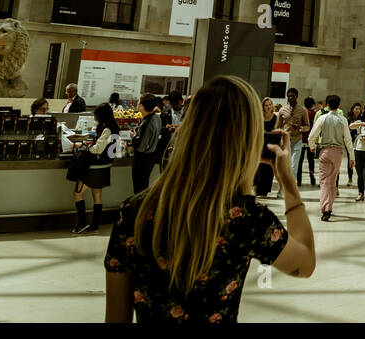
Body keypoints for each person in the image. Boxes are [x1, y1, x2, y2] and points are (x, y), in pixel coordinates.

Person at [104, 75, 315, 322]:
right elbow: (305, 263)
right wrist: (288, 183)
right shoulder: (245, 219)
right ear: (247, 139)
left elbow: (116, 318)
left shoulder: (134, 211)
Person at [70, 103, 120, 234]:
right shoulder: (115, 127)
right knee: (97, 195)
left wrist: (83, 146)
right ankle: (95, 224)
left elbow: (97, 149)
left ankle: (82, 223)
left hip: (94, 167)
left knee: (77, 194)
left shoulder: (107, 129)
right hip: (105, 166)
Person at [307, 94, 353, 221]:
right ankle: (329, 206)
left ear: (327, 105)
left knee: (324, 182)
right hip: (338, 153)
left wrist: (312, 146)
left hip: (325, 151)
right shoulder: (343, 120)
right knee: (332, 181)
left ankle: (326, 208)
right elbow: (348, 140)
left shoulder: (322, 118)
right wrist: (352, 156)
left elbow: (312, 136)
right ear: (338, 106)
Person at [277, 88, 309, 185]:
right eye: (289, 96)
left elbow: (307, 126)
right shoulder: (282, 110)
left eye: (292, 96)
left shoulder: (303, 110)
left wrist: (301, 128)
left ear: (296, 96)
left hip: (297, 140)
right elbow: (277, 126)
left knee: (294, 165)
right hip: (285, 141)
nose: (290, 98)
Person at [253, 97, 280, 198]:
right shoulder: (259, 117)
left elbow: (277, 131)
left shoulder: (275, 118)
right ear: (263, 106)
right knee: (258, 168)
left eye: (270, 105)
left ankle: (265, 190)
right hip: (260, 145)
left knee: (268, 169)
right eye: (266, 105)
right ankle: (258, 189)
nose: (268, 107)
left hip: (271, 146)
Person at [297, 96, 317, 186]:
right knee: (311, 159)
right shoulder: (314, 113)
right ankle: (311, 172)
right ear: (313, 104)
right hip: (311, 140)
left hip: (301, 139)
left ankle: (299, 179)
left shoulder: (302, 113)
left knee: (299, 161)